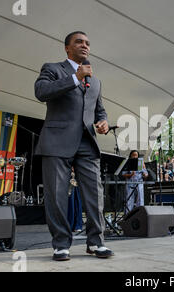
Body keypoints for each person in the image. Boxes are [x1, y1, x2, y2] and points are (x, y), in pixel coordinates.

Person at [34, 31, 113, 261]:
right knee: (57, 195)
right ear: (67, 48)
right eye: (79, 42)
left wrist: (103, 122)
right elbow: (41, 92)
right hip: (57, 141)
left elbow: (99, 109)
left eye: (88, 43)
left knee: (95, 195)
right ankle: (60, 244)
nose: (85, 46)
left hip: (87, 142)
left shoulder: (95, 81)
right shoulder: (52, 68)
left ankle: (96, 242)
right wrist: (75, 78)